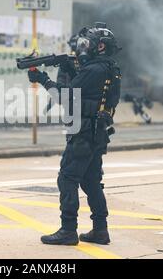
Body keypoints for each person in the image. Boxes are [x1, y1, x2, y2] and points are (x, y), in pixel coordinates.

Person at [27, 22, 122, 245]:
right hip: (97, 133)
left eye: (88, 44)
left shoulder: (93, 70)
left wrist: (42, 79)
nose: (83, 48)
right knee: (91, 182)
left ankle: (68, 230)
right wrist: (70, 68)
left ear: (99, 47)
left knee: (67, 178)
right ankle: (100, 230)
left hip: (83, 132)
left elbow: (65, 96)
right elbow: (87, 90)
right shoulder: (110, 68)